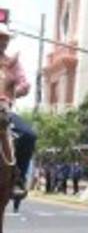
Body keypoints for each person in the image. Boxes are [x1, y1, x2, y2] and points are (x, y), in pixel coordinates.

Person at [0, 22, 37, 196]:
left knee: (28, 135)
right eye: (1, 38)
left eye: (5, 39)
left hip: (5, 108)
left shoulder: (13, 63)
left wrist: (17, 90)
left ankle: (18, 178)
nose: (3, 42)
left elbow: (25, 83)